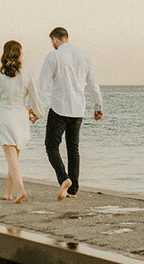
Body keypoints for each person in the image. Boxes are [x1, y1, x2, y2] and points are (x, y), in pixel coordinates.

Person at [37, 27, 102, 200]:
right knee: (73, 149)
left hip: (59, 108)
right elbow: (92, 84)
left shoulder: (54, 56)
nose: (52, 44)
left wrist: (33, 107)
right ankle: (73, 190)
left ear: (56, 39)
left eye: (52, 41)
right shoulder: (84, 56)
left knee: (51, 146)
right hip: (78, 110)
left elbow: (42, 84)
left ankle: (64, 178)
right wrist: (98, 105)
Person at [0, 40, 44, 203]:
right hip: (21, 117)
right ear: (19, 54)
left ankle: (20, 189)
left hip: (5, 116)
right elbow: (35, 98)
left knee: (11, 159)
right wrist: (38, 114)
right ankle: (9, 193)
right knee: (14, 160)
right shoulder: (27, 74)